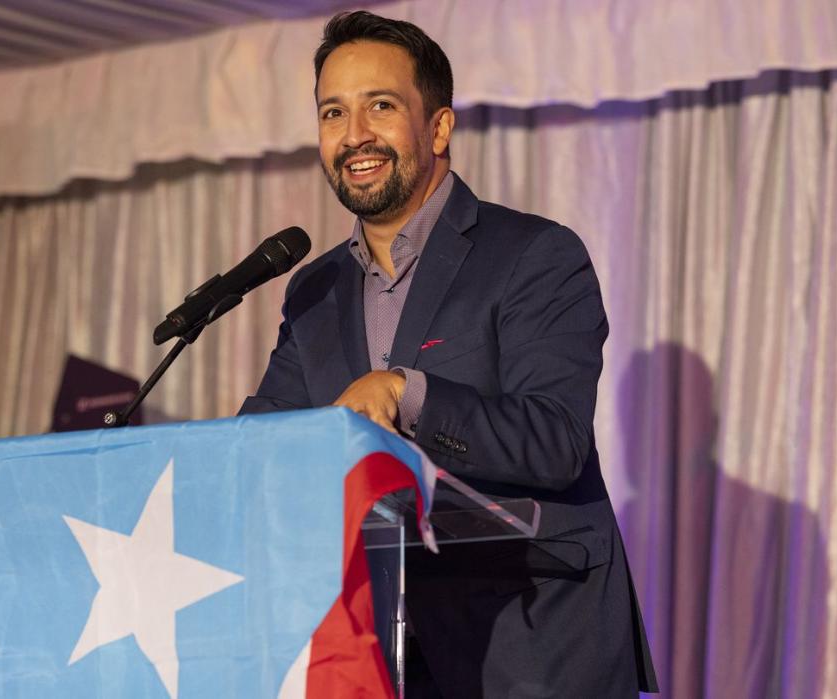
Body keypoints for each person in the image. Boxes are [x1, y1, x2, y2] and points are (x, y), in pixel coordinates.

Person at [239, 11, 659, 697]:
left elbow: (554, 439)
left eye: (380, 106)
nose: (354, 136)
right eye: (333, 112)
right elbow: (267, 442)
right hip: (381, 653)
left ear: (437, 127)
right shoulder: (314, 290)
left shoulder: (535, 255)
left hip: (531, 649)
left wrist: (407, 390)